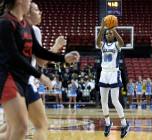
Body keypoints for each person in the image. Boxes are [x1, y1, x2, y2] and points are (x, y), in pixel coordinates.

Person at [0, 1, 80, 140]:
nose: (30, 2)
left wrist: (63, 58)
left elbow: (39, 51)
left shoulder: (28, 27)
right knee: (20, 127)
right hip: (8, 79)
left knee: (37, 125)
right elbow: (13, 57)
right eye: (29, 1)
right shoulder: (5, 23)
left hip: (25, 81)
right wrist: (40, 76)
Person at [96, 18, 129, 138]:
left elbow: (122, 43)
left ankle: (124, 124)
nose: (108, 34)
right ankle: (108, 123)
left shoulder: (116, 44)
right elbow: (97, 41)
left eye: (110, 33)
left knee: (115, 100)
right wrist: (102, 28)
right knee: (103, 101)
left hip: (114, 73)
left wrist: (113, 30)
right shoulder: (103, 44)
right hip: (104, 73)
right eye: (107, 33)